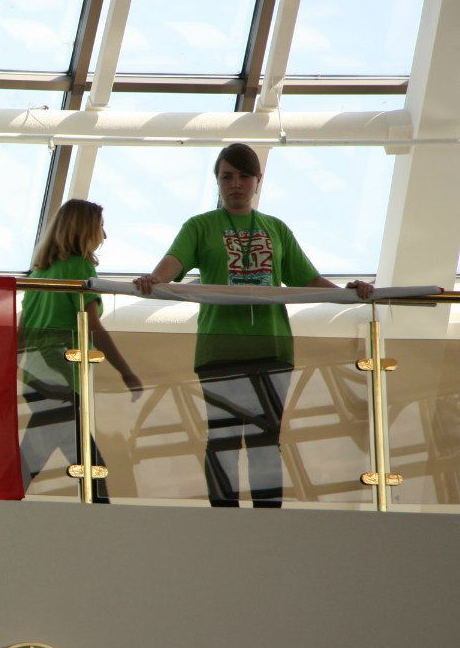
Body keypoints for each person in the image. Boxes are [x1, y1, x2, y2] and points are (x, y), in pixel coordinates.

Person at [133, 143, 373, 507]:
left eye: (244, 176)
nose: (235, 184)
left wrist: (348, 293)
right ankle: (225, 520)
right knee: (223, 440)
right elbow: (171, 266)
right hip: (220, 351)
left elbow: (307, 280)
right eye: (227, 176)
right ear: (217, 180)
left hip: (271, 349)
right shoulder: (200, 226)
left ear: (258, 180)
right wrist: (153, 279)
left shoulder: (275, 229)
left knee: (267, 440)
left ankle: (266, 522)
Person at [20, 198, 142, 502]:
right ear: (84, 229)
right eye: (100, 227)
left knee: (40, 458)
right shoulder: (79, 267)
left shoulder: (38, 273)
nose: (105, 235)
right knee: (89, 467)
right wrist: (126, 372)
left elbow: (21, 332)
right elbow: (93, 327)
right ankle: (102, 519)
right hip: (61, 376)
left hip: (35, 376)